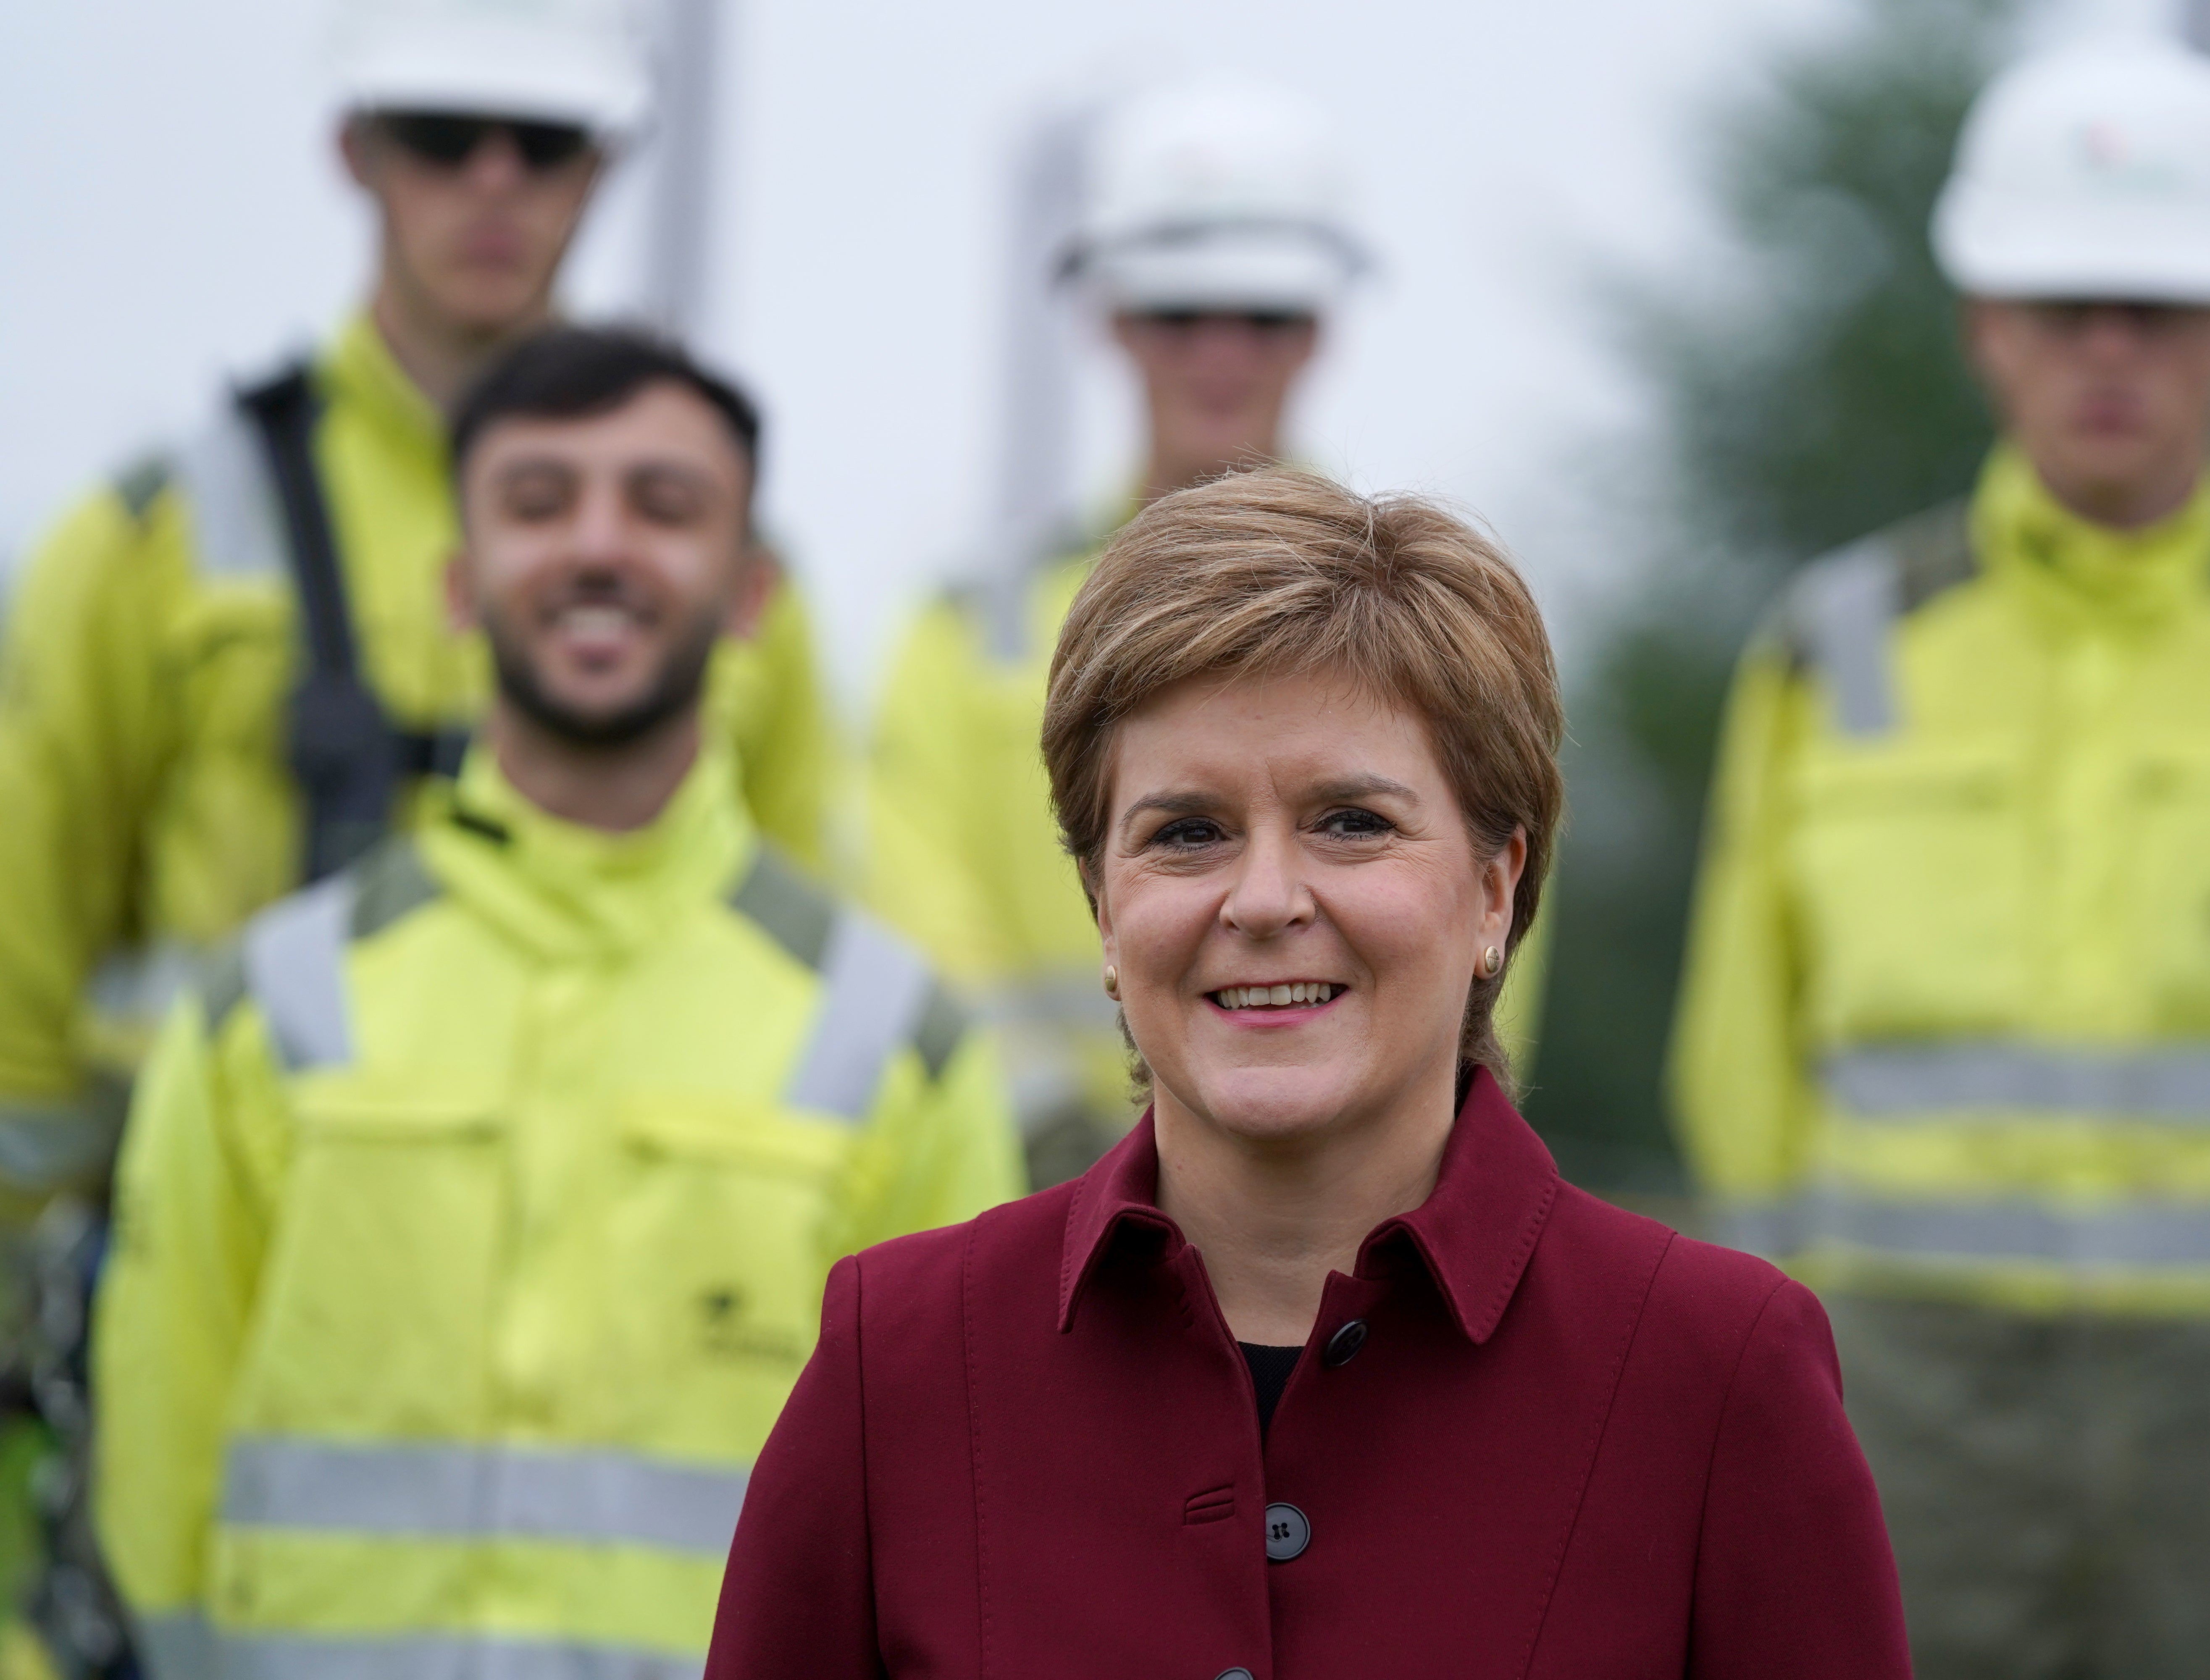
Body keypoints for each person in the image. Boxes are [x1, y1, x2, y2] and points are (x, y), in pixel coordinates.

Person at [706, 468, 1910, 1679]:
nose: (1267, 900)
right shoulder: (898, 1360)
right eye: (1187, 833)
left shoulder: (1716, 1374)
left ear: (1494, 890)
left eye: (1350, 822)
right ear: (1102, 905)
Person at [1671, 37, 2210, 1678]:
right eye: (2063, 306)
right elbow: (1740, 1044)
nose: (2109, 350)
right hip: (1895, 1383)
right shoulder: (1835, 649)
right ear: (1985, 323)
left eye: (2161, 310)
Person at [88, 329, 1022, 1680]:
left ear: (753, 590)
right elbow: (157, 1475)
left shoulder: (890, 1040)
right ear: (460, 586)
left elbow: (950, 1516)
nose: (598, 548)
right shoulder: (272, 1008)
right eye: (538, 503)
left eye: (664, 505)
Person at [0, 0, 835, 1195]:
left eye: (543, 143)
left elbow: (794, 952)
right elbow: (23, 920)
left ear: (601, 168)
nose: (494, 181)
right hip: (235, 1202)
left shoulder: (734, 572)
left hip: (621, 1229)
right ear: (357, 152)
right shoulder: (159, 532)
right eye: (443, 135)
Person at [863, 81, 1545, 1186]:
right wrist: (1073, 1141)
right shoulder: (966, 631)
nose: (1219, 352)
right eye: (1181, 316)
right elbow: (918, 919)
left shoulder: (1431, 623)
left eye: (1260, 317)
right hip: (1026, 1183)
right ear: (1112, 320)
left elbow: (1493, 912)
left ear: (1318, 330)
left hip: (1351, 1192)